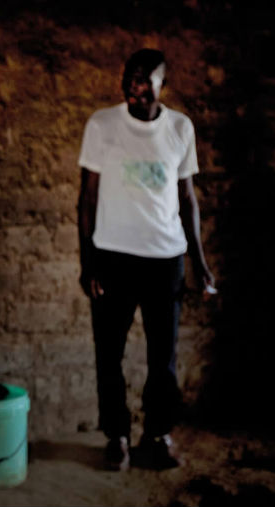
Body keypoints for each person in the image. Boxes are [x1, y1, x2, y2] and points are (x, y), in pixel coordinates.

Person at [76, 48, 217, 472]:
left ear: (162, 85)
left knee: (163, 357)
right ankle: (116, 437)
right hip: (113, 258)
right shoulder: (102, 125)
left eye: (145, 79)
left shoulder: (179, 127)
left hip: (165, 258)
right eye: (129, 78)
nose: (135, 86)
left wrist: (200, 261)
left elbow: (187, 197)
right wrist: (89, 262)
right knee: (109, 354)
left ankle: (157, 436)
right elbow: (87, 198)